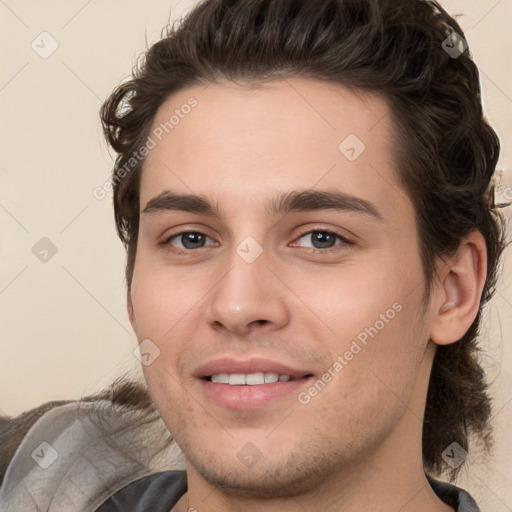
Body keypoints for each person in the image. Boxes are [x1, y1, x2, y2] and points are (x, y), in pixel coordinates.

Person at [0, 0, 509, 510]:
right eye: (190, 239)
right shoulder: (40, 479)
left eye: (320, 239)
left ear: (453, 290)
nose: (237, 306)